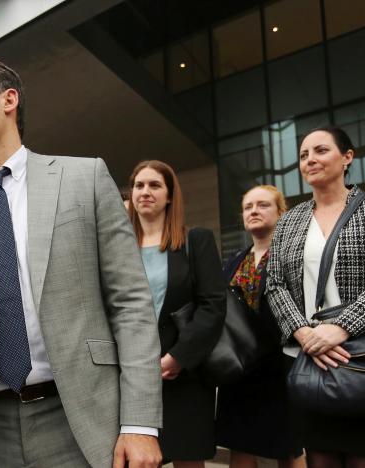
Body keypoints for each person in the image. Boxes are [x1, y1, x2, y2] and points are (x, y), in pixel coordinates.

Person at [0, 56, 162, 467]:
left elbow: (130, 304)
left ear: (9, 99)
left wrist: (140, 424)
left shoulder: (85, 179)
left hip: (84, 421)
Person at [265, 126, 365, 467]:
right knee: (319, 458)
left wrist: (340, 328)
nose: (310, 159)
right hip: (308, 359)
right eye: (302, 155)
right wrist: (305, 333)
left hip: (364, 356)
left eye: (321, 150)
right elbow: (274, 284)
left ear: (347, 157)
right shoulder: (288, 221)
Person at [127, 160, 226, 467]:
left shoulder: (195, 241)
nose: (145, 191)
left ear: (170, 196)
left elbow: (213, 305)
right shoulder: (118, 248)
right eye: (139, 185)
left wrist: (179, 357)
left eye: (154, 185)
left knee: (187, 459)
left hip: (183, 375)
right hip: (133, 377)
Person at [214, 185, 305, 468]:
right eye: (248, 207)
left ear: (280, 212)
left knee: (288, 446)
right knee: (240, 444)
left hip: (280, 366)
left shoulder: (293, 256)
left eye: (263, 205)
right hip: (240, 366)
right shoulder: (233, 260)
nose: (253, 210)